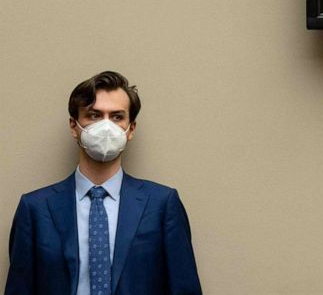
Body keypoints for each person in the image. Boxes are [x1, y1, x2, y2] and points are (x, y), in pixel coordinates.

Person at [5, 71, 202, 294]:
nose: (106, 127)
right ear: (73, 126)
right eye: (94, 115)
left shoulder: (162, 204)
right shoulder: (35, 209)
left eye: (117, 117)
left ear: (131, 129)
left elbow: (185, 289)